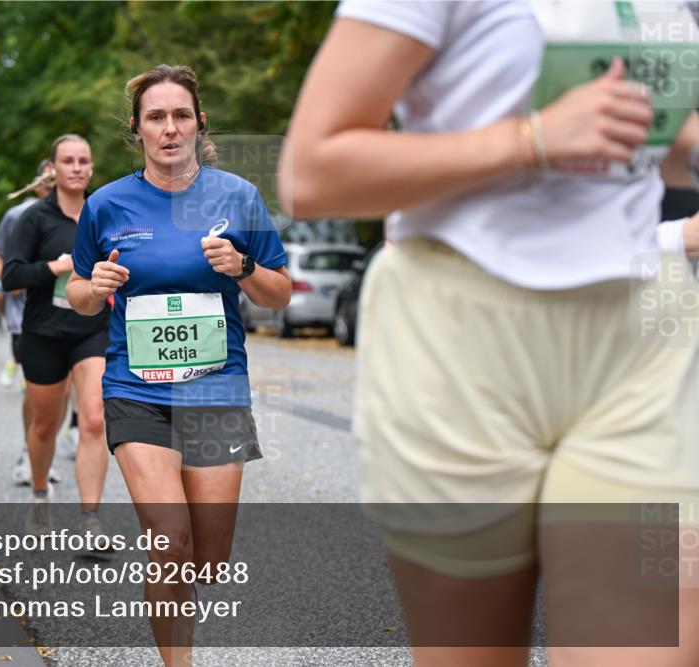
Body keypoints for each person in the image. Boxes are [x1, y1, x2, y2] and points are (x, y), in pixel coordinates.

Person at [279, 3, 699, 666]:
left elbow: (663, 142)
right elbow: (310, 173)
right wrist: (533, 138)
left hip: (640, 334)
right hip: (460, 336)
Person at [67, 64, 291, 666]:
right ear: (137, 130)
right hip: (135, 388)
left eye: (181, 116)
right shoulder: (106, 204)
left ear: (199, 124)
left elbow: (280, 292)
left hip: (215, 390)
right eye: (156, 118)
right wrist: (98, 283)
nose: (170, 128)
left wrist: (243, 269)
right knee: (168, 541)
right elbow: (78, 293)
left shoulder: (236, 196)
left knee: (208, 562)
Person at [2, 134, 112, 538]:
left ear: (91, 168)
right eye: (68, 160)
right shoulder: (34, 218)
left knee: (95, 420)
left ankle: (90, 520)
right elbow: (10, 276)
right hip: (44, 332)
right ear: (53, 169)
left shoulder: (104, 213)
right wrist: (55, 267)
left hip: (92, 329)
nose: (77, 167)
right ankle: (39, 494)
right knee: (46, 425)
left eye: (84, 160)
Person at [0, 160, 67, 485]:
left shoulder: (80, 212)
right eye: (47, 180)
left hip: (69, 313)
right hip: (27, 315)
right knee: (35, 390)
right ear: (38, 184)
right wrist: (10, 278)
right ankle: (28, 450)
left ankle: (43, 448)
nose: (53, 185)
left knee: (64, 393)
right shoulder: (18, 214)